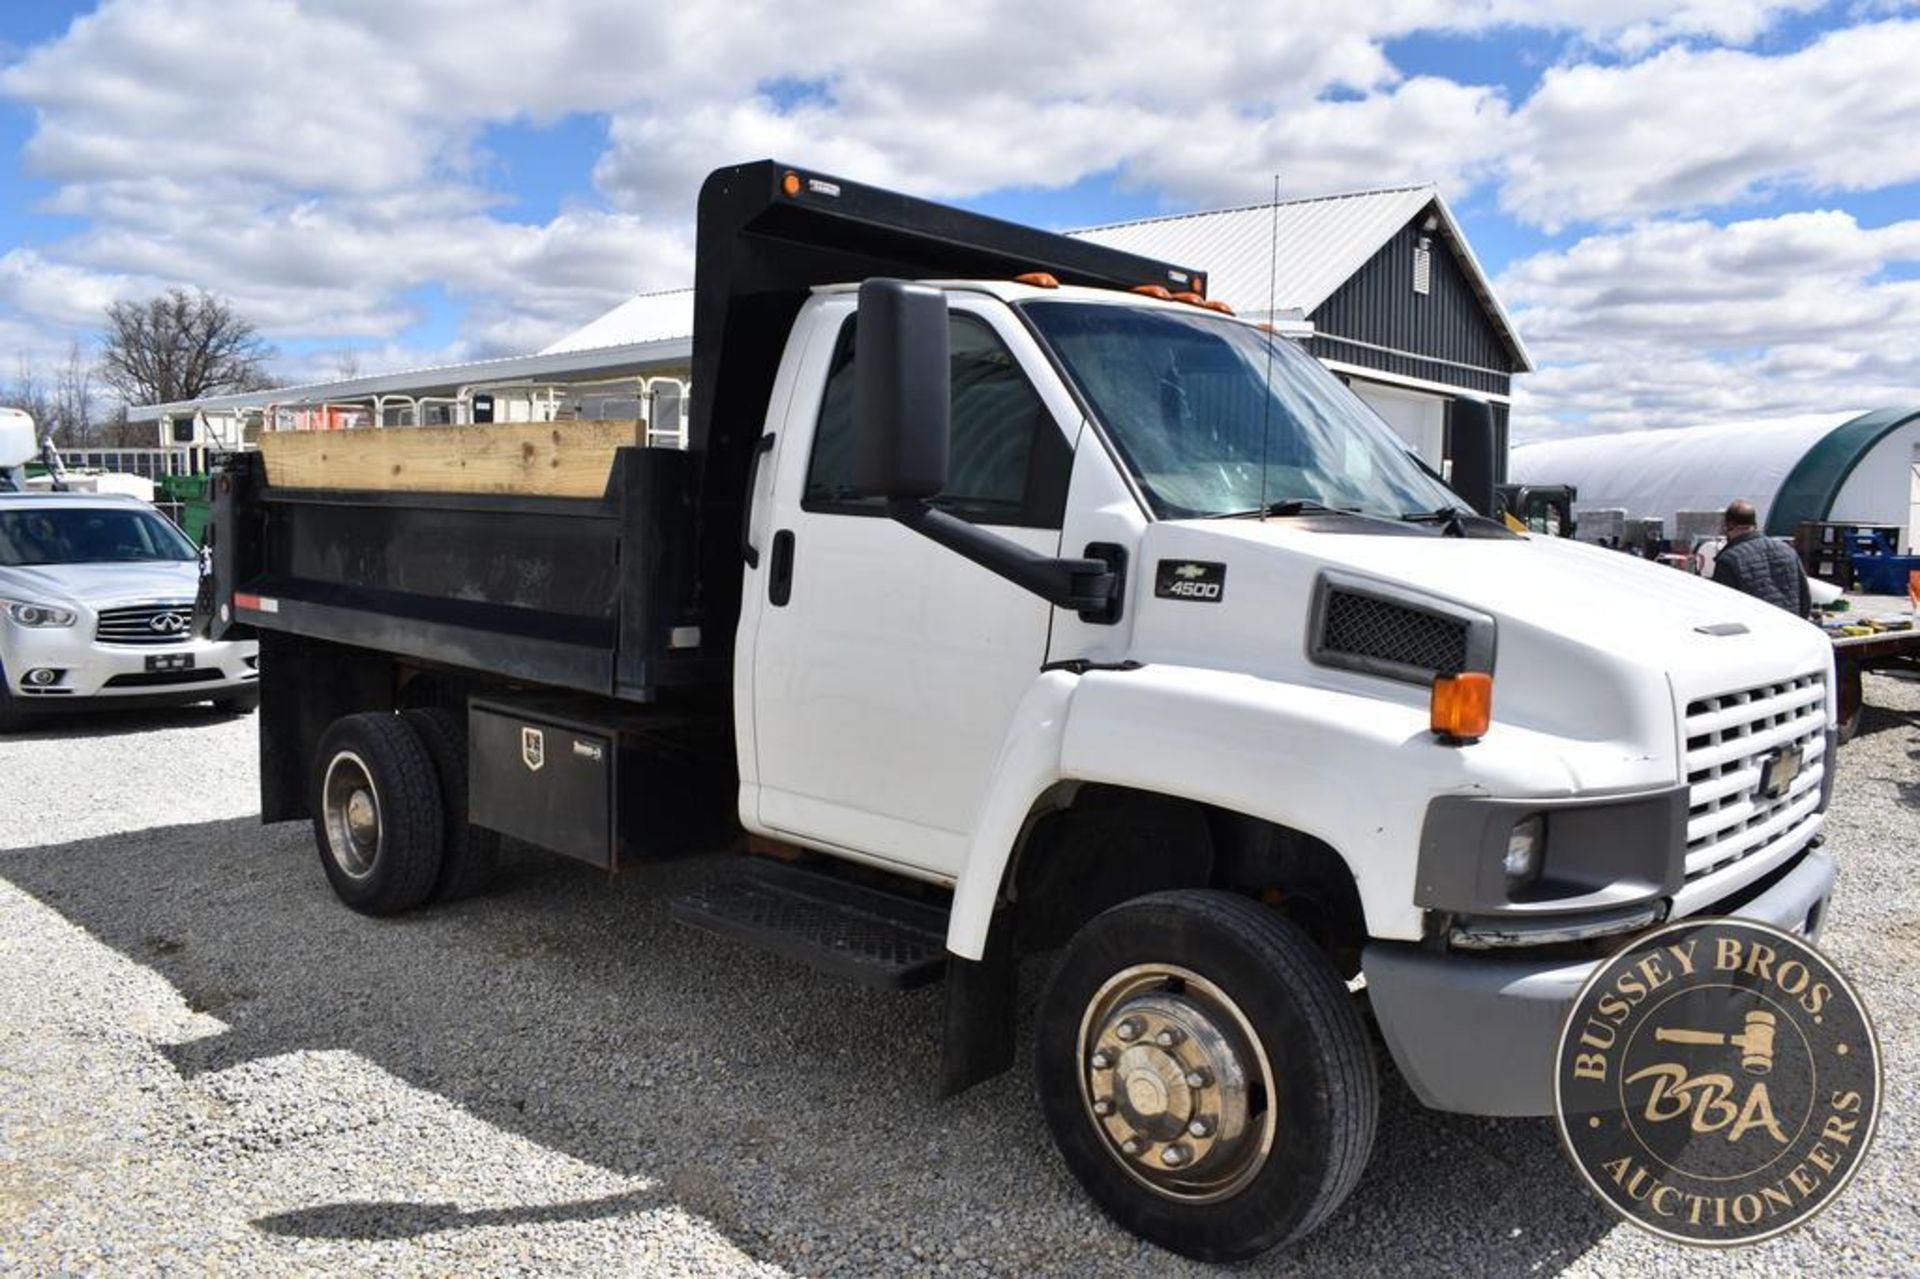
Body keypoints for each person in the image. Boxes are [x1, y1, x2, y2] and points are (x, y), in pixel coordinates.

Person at [1711, 499, 1811, 618]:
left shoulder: (1728, 560)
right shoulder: (1787, 550)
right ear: (1755, 523)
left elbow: (1723, 608)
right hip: (1790, 626)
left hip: (1755, 631)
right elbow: (1805, 597)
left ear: (1729, 525)